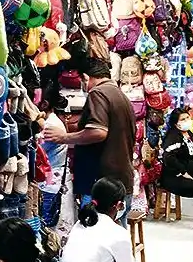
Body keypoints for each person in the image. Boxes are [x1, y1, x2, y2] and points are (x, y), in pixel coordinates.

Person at [43, 58, 137, 228]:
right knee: (115, 235)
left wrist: (64, 137)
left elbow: (98, 132)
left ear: (86, 77)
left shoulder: (98, 93)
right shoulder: (120, 95)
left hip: (102, 183)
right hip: (120, 178)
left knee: (94, 233)